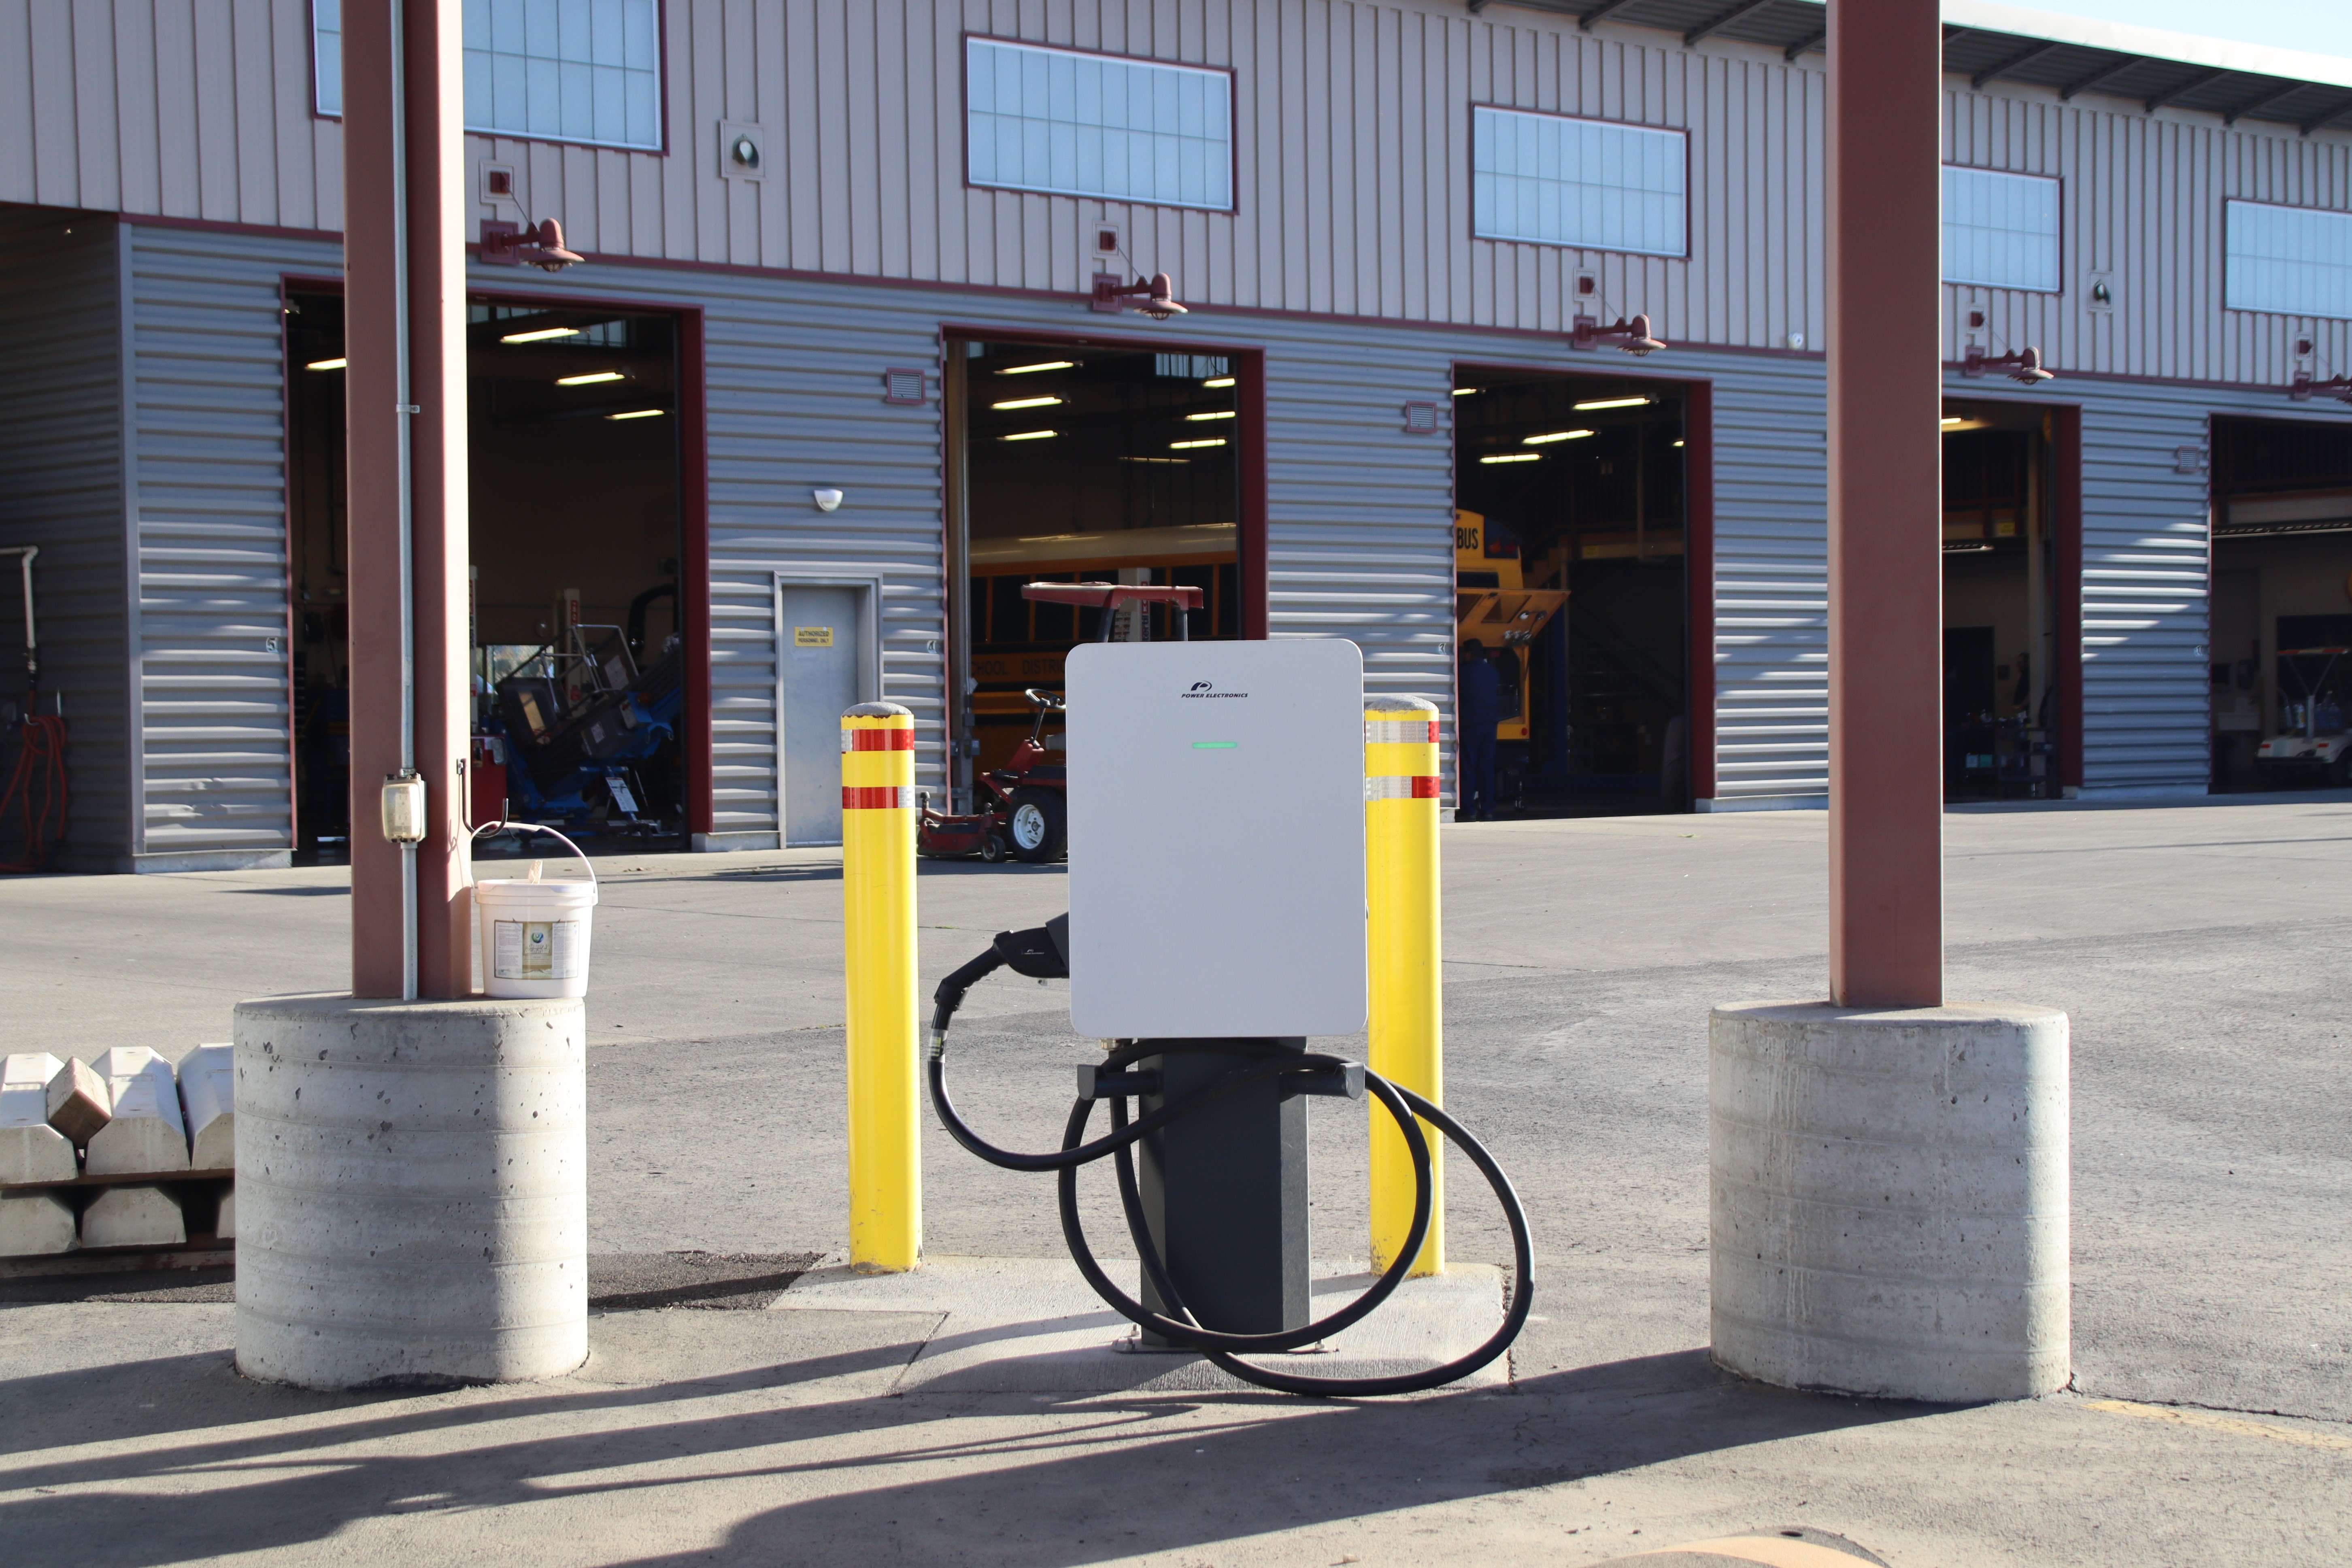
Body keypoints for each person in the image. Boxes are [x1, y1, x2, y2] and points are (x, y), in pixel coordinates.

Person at [1458, 639, 1501, 820]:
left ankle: (1469, 809)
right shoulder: (1493, 673)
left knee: (1469, 768)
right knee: (1487, 768)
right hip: (1489, 727)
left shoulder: (1462, 673)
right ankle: (1488, 808)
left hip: (1470, 727)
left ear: (1468, 654)